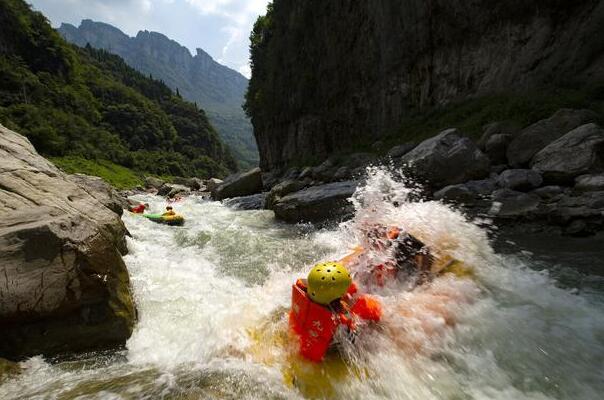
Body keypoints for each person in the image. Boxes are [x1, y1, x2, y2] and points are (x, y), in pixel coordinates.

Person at [289, 262, 382, 362]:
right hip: (330, 352)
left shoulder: (310, 293)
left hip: (303, 339)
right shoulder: (339, 324)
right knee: (368, 308)